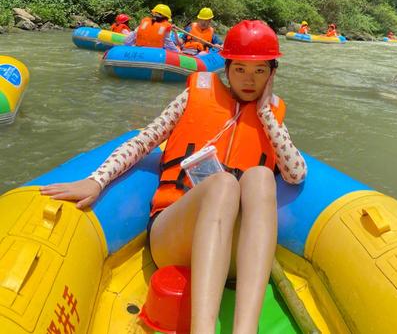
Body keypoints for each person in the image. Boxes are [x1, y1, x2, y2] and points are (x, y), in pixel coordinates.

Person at [40, 20, 306, 334]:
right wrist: (96, 179)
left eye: (260, 71)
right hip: (175, 235)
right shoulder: (194, 96)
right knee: (222, 184)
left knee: (261, 175)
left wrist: (263, 114)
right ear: (227, 67)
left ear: (272, 73)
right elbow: (143, 141)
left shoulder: (271, 114)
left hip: (234, 254)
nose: (249, 80)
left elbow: (295, 173)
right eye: (241, 70)